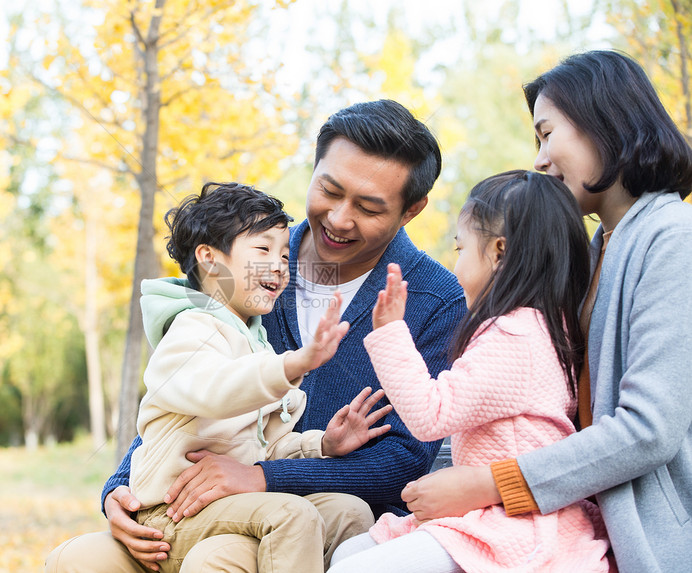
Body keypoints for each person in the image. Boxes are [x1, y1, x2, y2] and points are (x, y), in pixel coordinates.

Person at [45, 100, 466, 573]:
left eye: (369, 208)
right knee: (81, 559)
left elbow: (402, 460)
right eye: (329, 190)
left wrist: (261, 477)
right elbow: (185, 389)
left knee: (221, 558)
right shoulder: (248, 261)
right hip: (195, 505)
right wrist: (120, 488)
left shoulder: (434, 298)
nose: (340, 219)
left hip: (328, 526)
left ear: (412, 210)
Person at [399, 51, 692, 572]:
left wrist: (492, 484)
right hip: (572, 526)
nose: (538, 159)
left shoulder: (673, 239)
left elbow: (649, 428)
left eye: (547, 133)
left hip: (652, 538)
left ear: (607, 122)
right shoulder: (599, 249)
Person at [329, 170, 611, 572]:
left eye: (460, 248)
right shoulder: (546, 326)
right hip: (496, 509)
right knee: (348, 554)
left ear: (498, 252)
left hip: (513, 523)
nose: (455, 263)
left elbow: (430, 416)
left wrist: (390, 331)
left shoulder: (515, 335)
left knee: (352, 567)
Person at [124, 181, 392, 573]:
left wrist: (322, 446)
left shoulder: (255, 342)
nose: (280, 265)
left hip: (230, 501)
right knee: (292, 513)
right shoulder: (190, 330)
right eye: (263, 249)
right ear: (209, 259)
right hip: (171, 510)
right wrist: (294, 364)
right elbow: (215, 389)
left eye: (285, 254)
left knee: (350, 511)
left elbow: (263, 449)